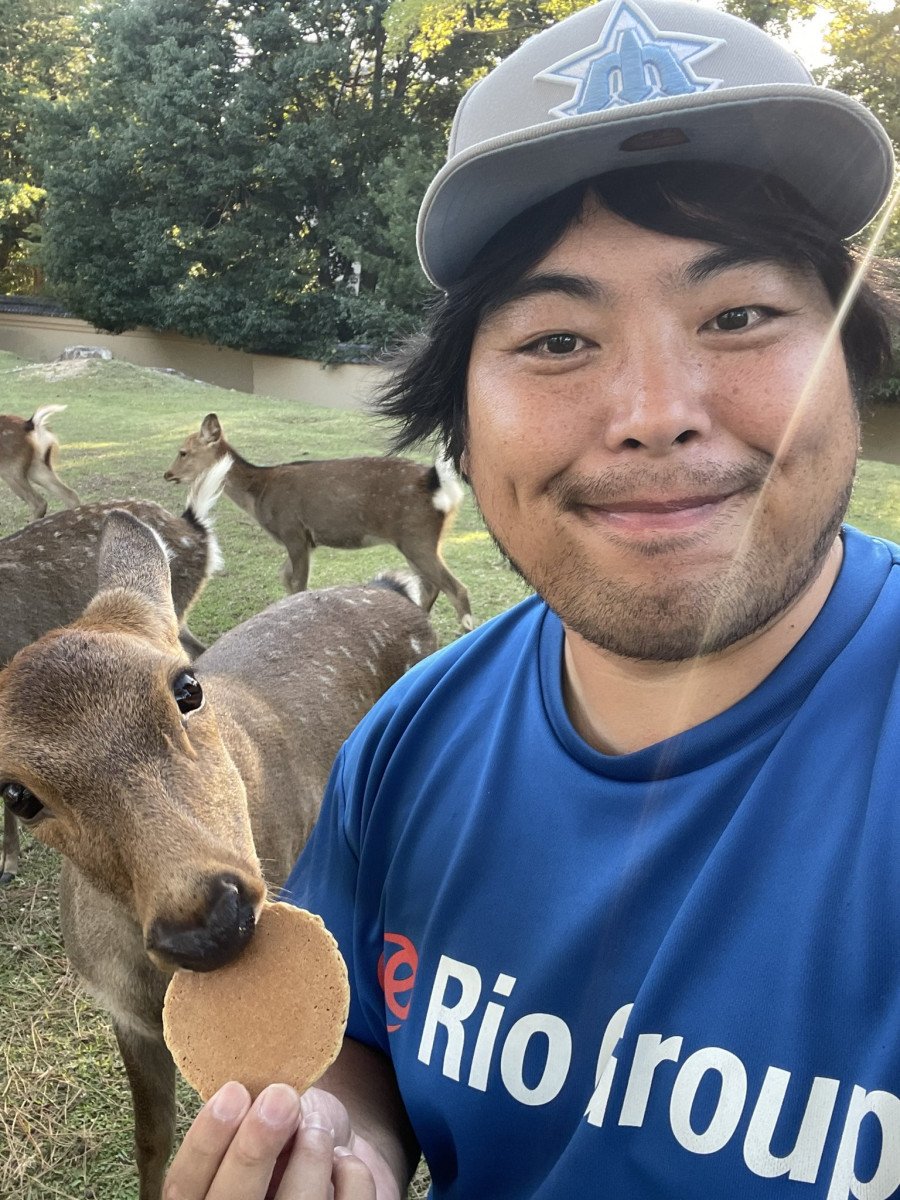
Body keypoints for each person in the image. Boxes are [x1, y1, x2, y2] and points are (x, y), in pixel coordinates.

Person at [163, 1, 898, 1196]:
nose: (655, 408)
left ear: (851, 359)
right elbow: (360, 1039)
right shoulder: (407, 738)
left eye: (742, 315)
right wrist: (334, 1138)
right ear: (462, 410)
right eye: (557, 340)